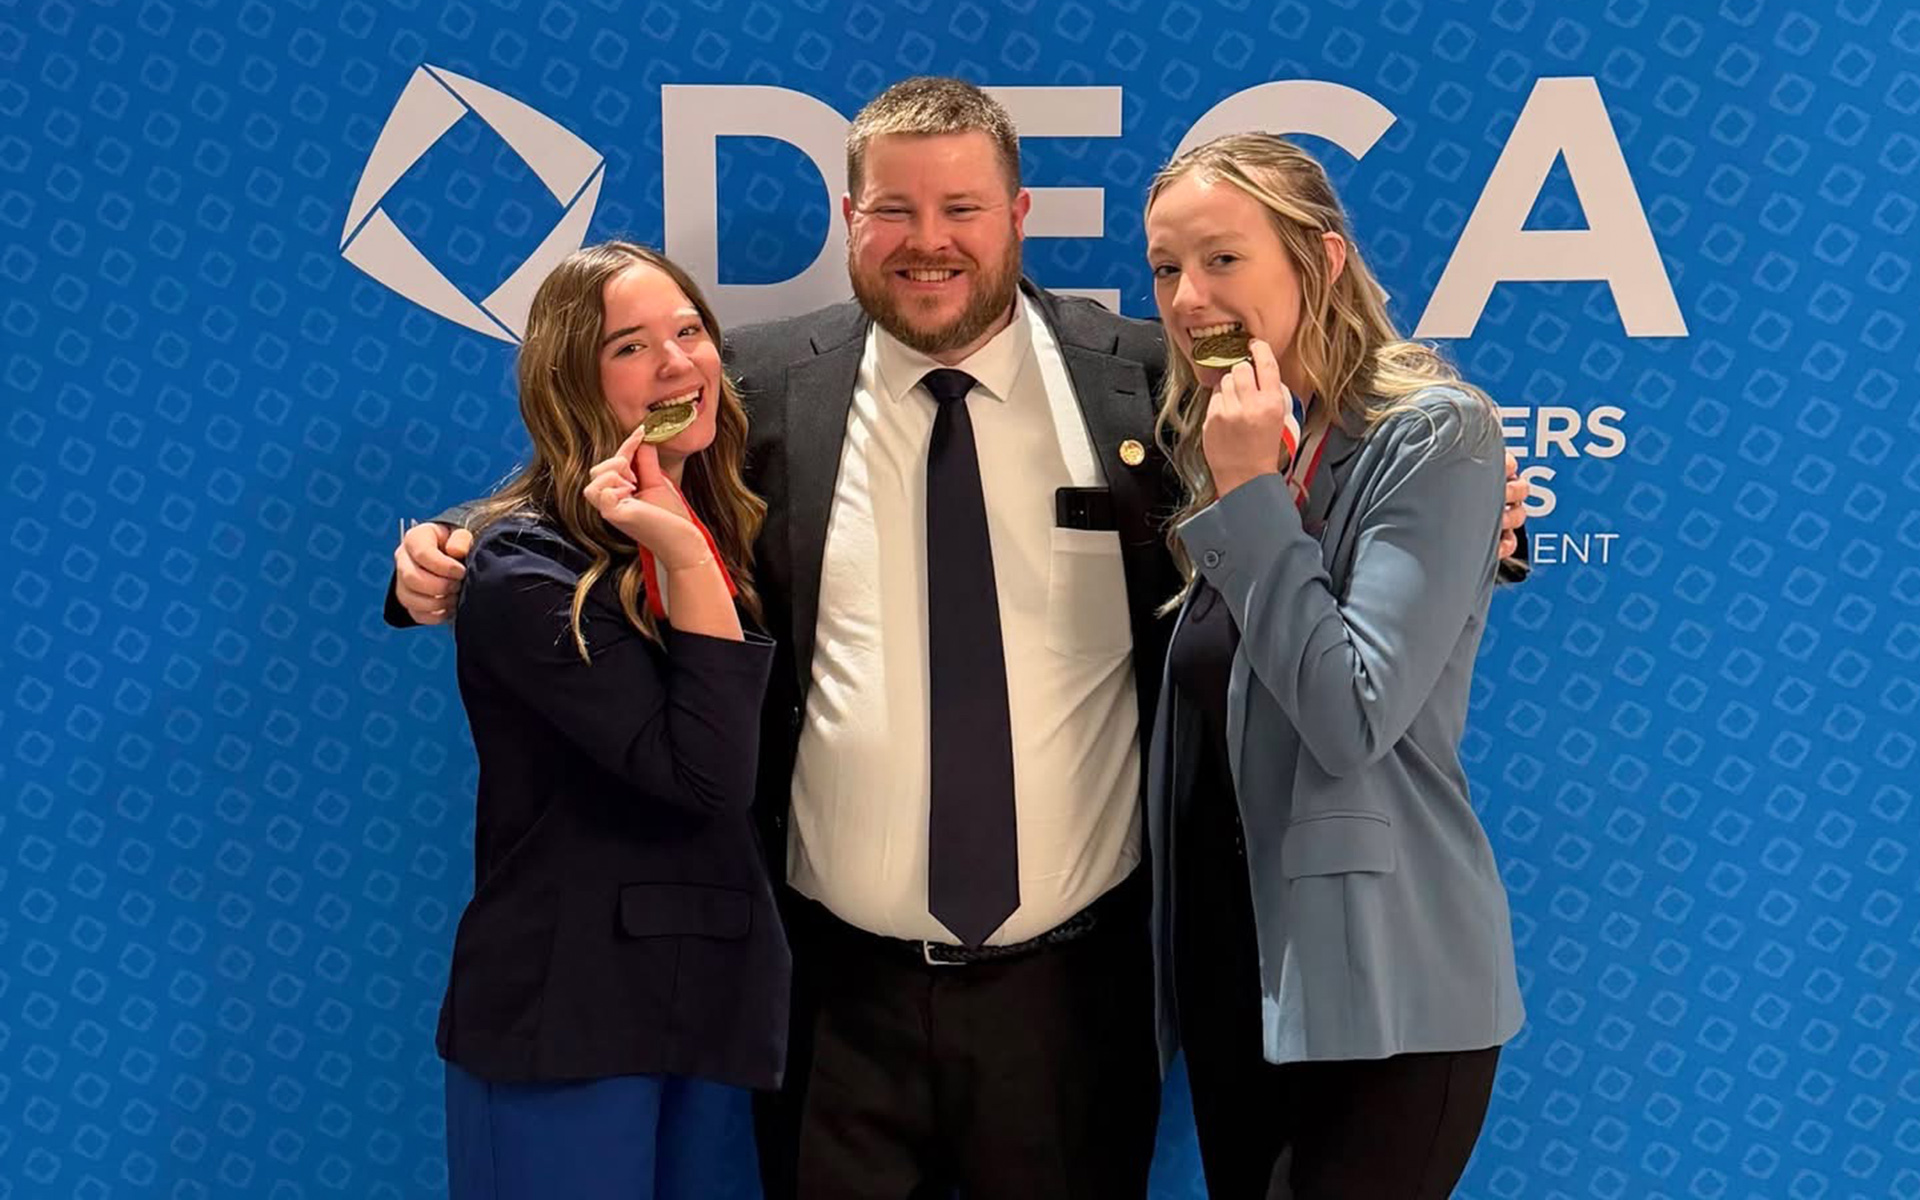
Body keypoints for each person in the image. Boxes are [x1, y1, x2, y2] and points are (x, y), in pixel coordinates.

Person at [386, 80, 1532, 1199]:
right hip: (832, 996)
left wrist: (1491, 522)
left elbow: (1328, 486)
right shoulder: (763, 388)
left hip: (1077, 1004)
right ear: (851, 220)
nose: (927, 243)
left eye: (962, 210)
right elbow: (603, 471)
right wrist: (456, 542)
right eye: (893, 210)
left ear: (1018, 217)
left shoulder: (1148, 382)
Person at [1141, 131, 1526, 1198]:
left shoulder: (1431, 432)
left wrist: (1248, 493)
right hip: (1239, 979)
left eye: (1223, 258)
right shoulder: (1225, 436)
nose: (1186, 297)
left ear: (1322, 258)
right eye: (1166, 268)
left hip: (1385, 981)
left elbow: (1352, 712)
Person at [433, 240, 784, 1200]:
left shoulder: (738, 521)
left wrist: (686, 541)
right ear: (572, 383)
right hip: (567, 1013)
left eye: (689, 331)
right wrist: (676, 547)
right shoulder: (523, 569)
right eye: (631, 347)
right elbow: (706, 774)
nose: (677, 363)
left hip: (712, 1003)